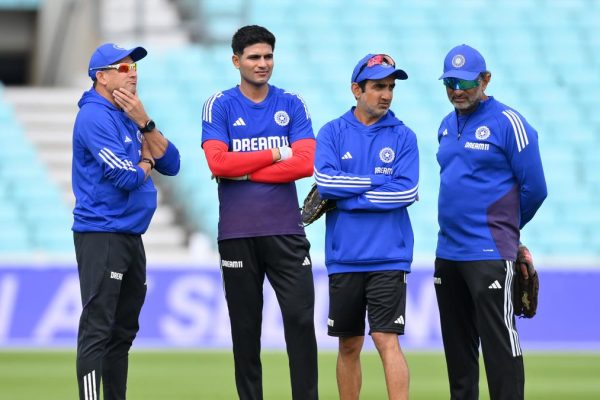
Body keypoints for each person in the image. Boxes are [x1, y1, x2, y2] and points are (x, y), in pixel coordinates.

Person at [201, 25, 318, 400]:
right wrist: (276, 153)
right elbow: (218, 163)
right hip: (237, 233)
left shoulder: (292, 103)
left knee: (300, 319)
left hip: (286, 230)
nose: (262, 63)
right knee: (246, 329)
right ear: (236, 61)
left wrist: (245, 170)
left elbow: (306, 163)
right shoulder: (219, 105)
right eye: (254, 57)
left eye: (268, 56)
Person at [433, 44, 547, 400]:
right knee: (458, 357)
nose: (457, 90)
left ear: (485, 80)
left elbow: (536, 189)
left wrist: (507, 232)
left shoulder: (509, 122)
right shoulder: (445, 125)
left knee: (500, 349)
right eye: (450, 82)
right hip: (448, 253)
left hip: (489, 254)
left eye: (466, 82)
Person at [72, 42, 181, 400]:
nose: (132, 73)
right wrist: (146, 162)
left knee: (122, 332)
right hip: (102, 233)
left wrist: (145, 123)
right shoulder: (94, 116)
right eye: (123, 68)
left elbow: (173, 163)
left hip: (130, 235)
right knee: (98, 329)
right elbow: (126, 177)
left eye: (134, 67)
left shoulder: (129, 113)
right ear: (101, 77)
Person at [314, 53, 419, 400]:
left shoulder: (404, 136)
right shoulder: (332, 132)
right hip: (345, 256)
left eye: (390, 87)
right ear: (356, 89)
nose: (386, 94)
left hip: (389, 256)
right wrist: (377, 181)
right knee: (349, 344)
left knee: (386, 339)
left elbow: (406, 192)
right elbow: (326, 183)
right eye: (378, 87)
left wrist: (350, 197)